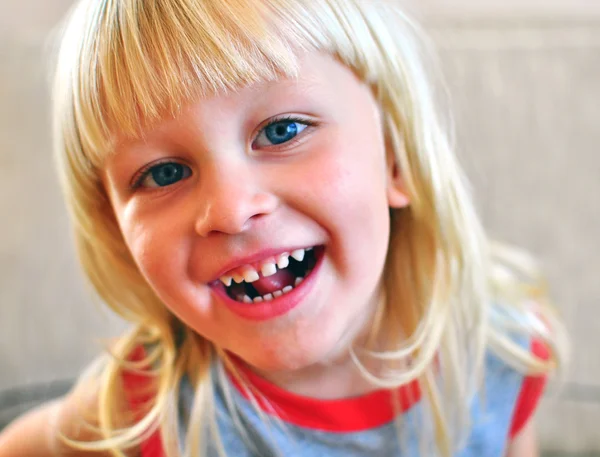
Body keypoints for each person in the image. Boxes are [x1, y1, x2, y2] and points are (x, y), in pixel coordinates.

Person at [0, 0, 567, 456]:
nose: (229, 209)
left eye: (282, 130)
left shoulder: (499, 348)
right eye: (164, 172)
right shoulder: (141, 410)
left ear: (397, 154)